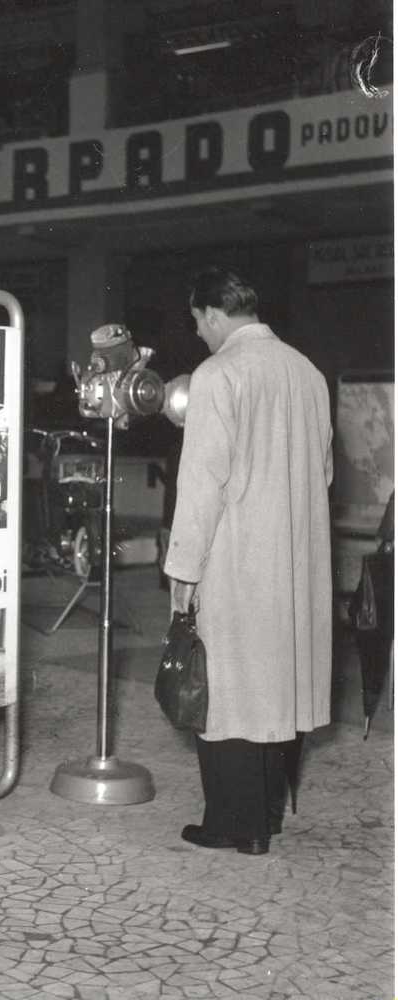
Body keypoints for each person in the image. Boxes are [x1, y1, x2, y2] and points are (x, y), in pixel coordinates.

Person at [164, 267, 333, 858]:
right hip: (295, 557)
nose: (201, 335)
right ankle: (266, 818)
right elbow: (326, 473)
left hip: (235, 558)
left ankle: (233, 825)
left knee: (228, 689)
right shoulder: (308, 373)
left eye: (198, 324)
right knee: (278, 689)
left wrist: (183, 570)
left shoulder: (219, 374)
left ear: (213, 314)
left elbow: (202, 482)